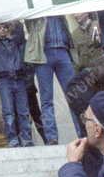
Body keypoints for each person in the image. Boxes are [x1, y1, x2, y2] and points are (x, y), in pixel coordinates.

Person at [26, 16, 77, 144]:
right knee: (46, 100)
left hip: (63, 51)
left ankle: (83, 132)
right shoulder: (35, 12)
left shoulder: (57, 10)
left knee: (75, 96)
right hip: (43, 54)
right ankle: (51, 138)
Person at [0, 21, 34, 147]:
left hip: (19, 79)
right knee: (8, 112)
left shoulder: (16, 41)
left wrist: (10, 25)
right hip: (4, 81)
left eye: (5, 27)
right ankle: (12, 140)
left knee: (23, 111)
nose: (3, 30)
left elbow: (19, 29)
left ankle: (26, 139)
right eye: (1, 28)